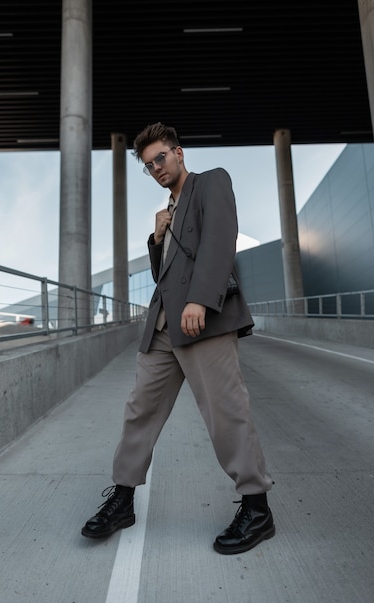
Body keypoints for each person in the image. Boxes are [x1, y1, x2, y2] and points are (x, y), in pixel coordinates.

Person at [81, 122, 275, 554]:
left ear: (179, 152)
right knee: (140, 412)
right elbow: (163, 277)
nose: (156, 168)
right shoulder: (167, 212)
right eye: (149, 165)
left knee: (226, 412)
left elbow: (221, 241)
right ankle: (124, 499)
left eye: (161, 158)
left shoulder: (211, 183)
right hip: (164, 327)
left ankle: (257, 508)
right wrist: (156, 238)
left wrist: (201, 300)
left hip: (203, 321)